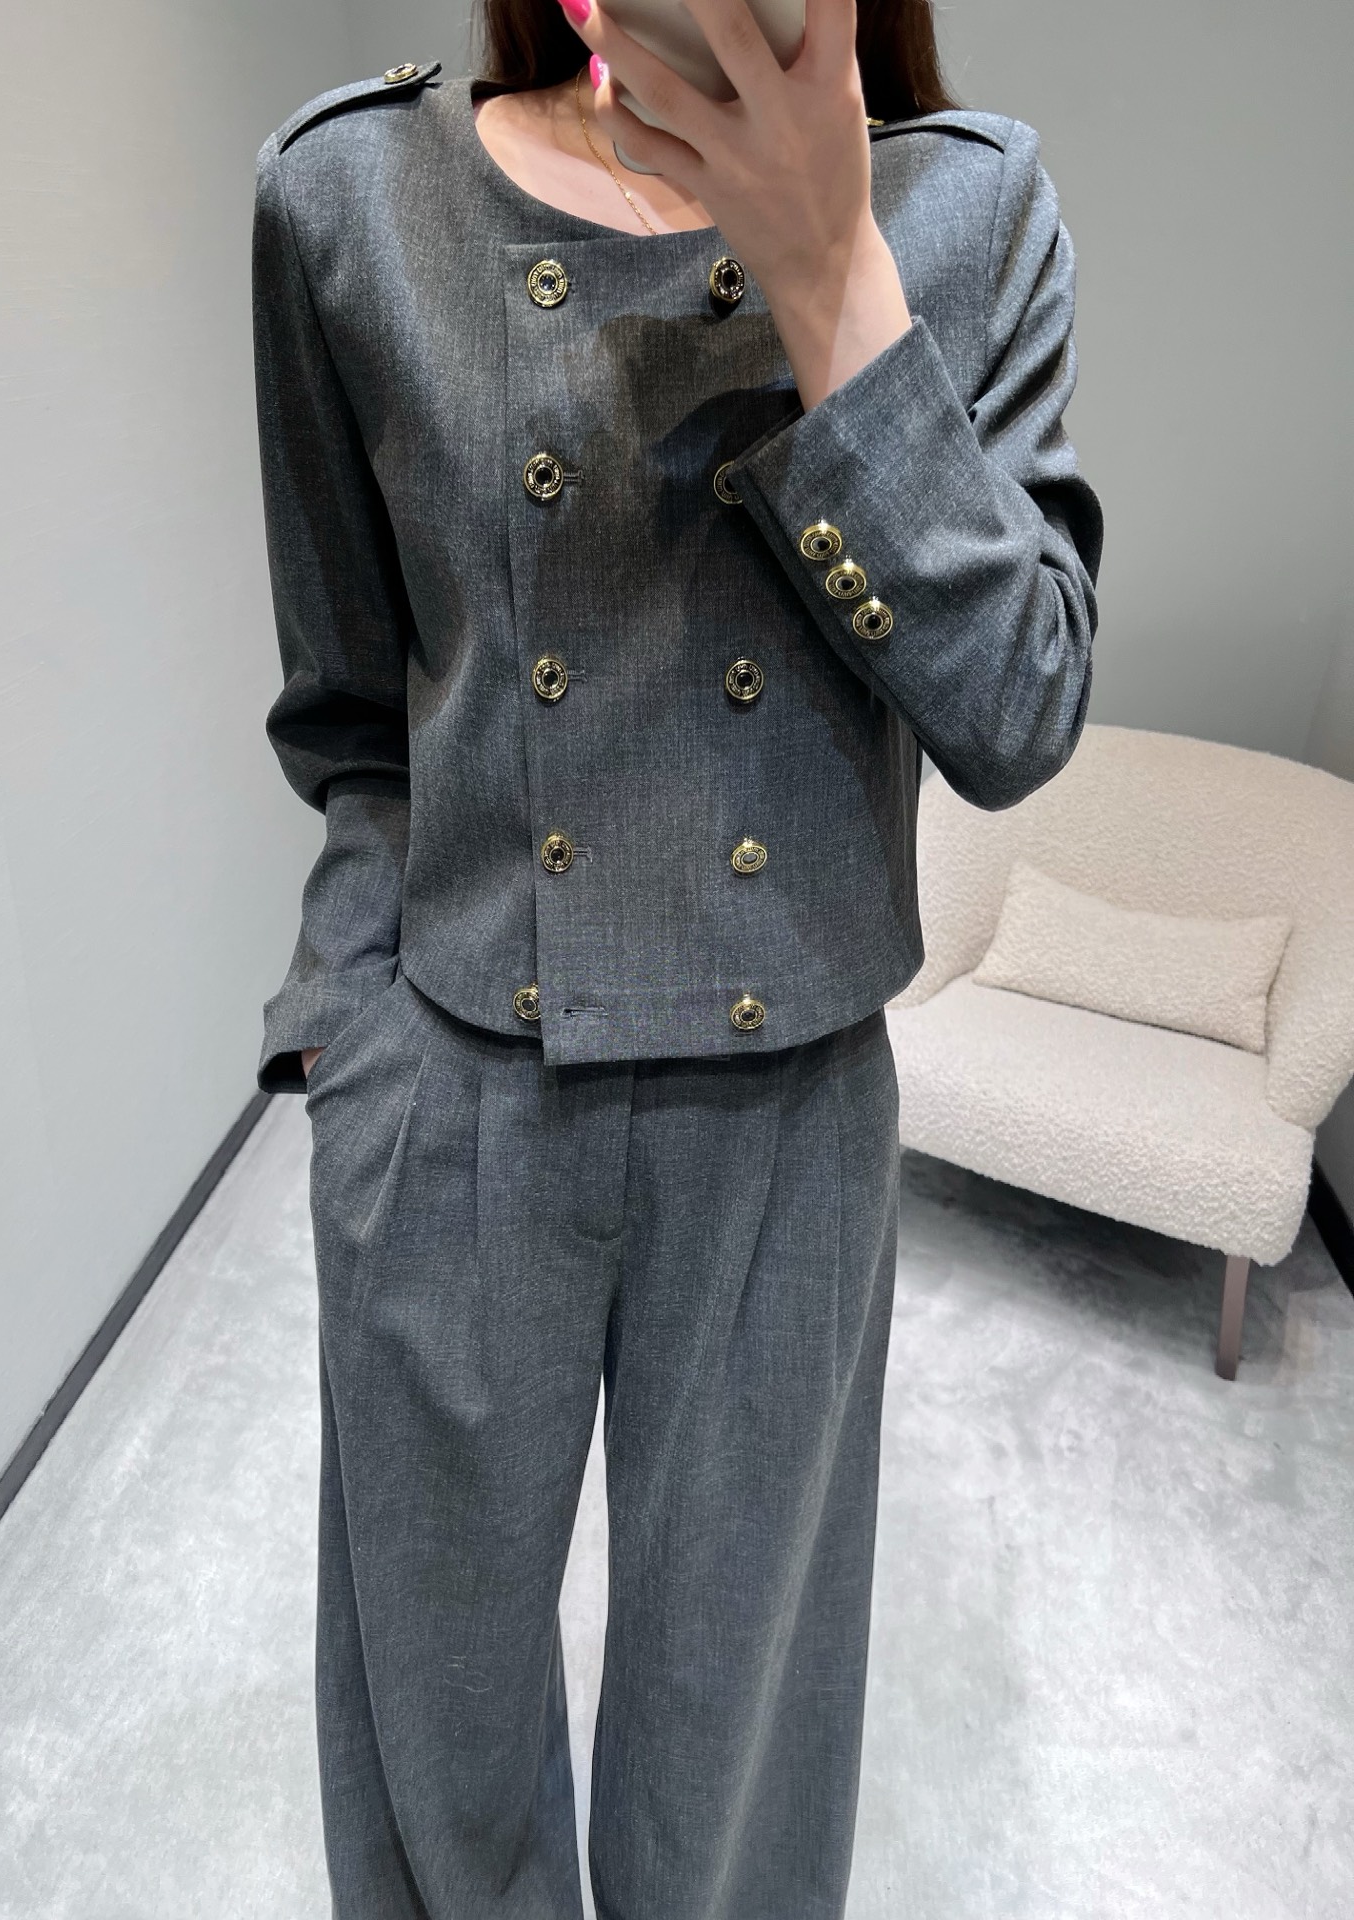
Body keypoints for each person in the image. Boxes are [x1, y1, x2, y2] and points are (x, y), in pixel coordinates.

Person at [249, 0, 1102, 1913]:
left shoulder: (964, 213)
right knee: (435, 1743)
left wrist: (828, 280)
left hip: (788, 1117)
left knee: (735, 1771)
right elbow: (355, 714)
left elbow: (1019, 712)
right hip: (451, 1097)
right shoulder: (353, 195)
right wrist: (347, 1050)